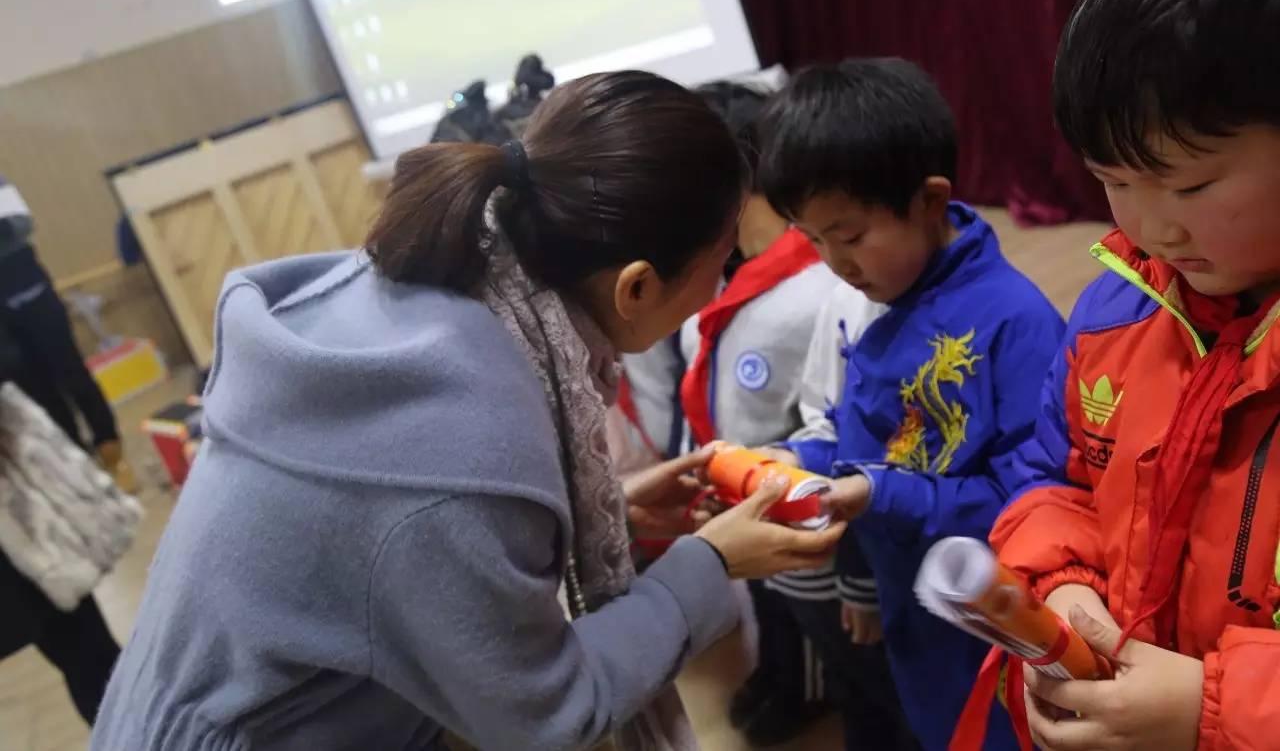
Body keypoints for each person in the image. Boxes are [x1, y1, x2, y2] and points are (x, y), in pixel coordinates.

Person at [90, 70, 847, 751]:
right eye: (720, 269)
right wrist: (711, 564)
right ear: (637, 287)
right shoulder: (463, 444)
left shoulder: (438, 289)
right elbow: (548, 712)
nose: (721, 289)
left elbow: (383, 550)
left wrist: (603, 507)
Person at [985, 0, 1280, 750]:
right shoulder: (1116, 311)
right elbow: (1055, 477)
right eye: (1114, 181)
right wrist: (1064, 588)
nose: (1152, 229)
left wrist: (1216, 708)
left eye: (1188, 187)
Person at [756, 59, 1065, 750]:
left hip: (991, 623)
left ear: (930, 201)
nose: (835, 262)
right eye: (814, 239)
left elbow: (1036, 500)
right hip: (912, 605)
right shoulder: (883, 298)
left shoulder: (1016, 322)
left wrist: (880, 492)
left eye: (851, 234)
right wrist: (798, 455)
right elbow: (864, 435)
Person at [674, 80, 843, 745]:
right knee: (770, 615)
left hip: (799, 521)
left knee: (822, 635)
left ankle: (809, 690)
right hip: (743, 504)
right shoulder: (732, 274)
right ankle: (783, 679)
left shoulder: (817, 288)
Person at [0, 322, 139, 725]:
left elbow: (10, 355)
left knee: (91, 653)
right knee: (85, 657)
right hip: (16, 540)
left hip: (27, 513)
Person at [0, 174, 135, 493]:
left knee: (70, 371)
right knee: (36, 388)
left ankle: (112, 453)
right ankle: (78, 466)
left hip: (22, 278)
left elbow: (19, 222)